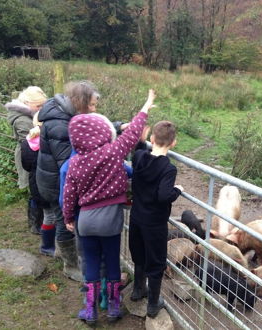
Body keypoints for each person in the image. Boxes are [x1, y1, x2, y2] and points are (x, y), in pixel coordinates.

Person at [62, 90, 155, 325]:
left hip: (85, 219)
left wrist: (68, 217)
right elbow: (134, 132)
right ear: (103, 132)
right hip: (110, 218)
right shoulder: (113, 152)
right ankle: (114, 308)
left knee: (91, 263)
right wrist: (146, 106)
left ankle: (90, 311)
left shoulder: (74, 163)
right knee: (112, 262)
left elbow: (69, 192)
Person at [36, 81, 100, 281]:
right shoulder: (60, 126)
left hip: (53, 178)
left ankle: (61, 251)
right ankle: (70, 265)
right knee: (65, 221)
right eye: (92, 105)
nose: (94, 109)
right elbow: (71, 164)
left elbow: (91, 125)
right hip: (56, 183)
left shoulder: (66, 115)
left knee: (60, 218)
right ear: (80, 103)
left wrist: (115, 127)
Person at [129, 120, 183, 318]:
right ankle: (153, 304)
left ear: (152, 139)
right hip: (154, 223)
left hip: (136, 218)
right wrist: (177, 190)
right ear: (173, 143)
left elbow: (140, 150)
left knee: (139, 253)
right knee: (156, 261)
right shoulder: (168, 169)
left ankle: (137, 290)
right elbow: (163, 195)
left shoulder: (139, 157)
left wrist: (142, 141)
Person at [5, 86, 48, 234]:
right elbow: (29, 143)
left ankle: (38, 221)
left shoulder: (29, 114)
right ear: (28, 103)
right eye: (38, 106)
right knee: (34, 188)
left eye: (43, 105)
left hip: (31, 153)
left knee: (36, 187)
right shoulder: (22, 120)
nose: (41, 108)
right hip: (28, 155)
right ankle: (35, 223)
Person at [20, 112, 53, 254]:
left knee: (48, 214)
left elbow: (26, 166)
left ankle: (47, 245)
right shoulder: (50, 141)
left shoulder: (26, 142)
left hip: (35, 182)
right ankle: (48, 246)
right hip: (50, 183)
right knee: (53, 215)